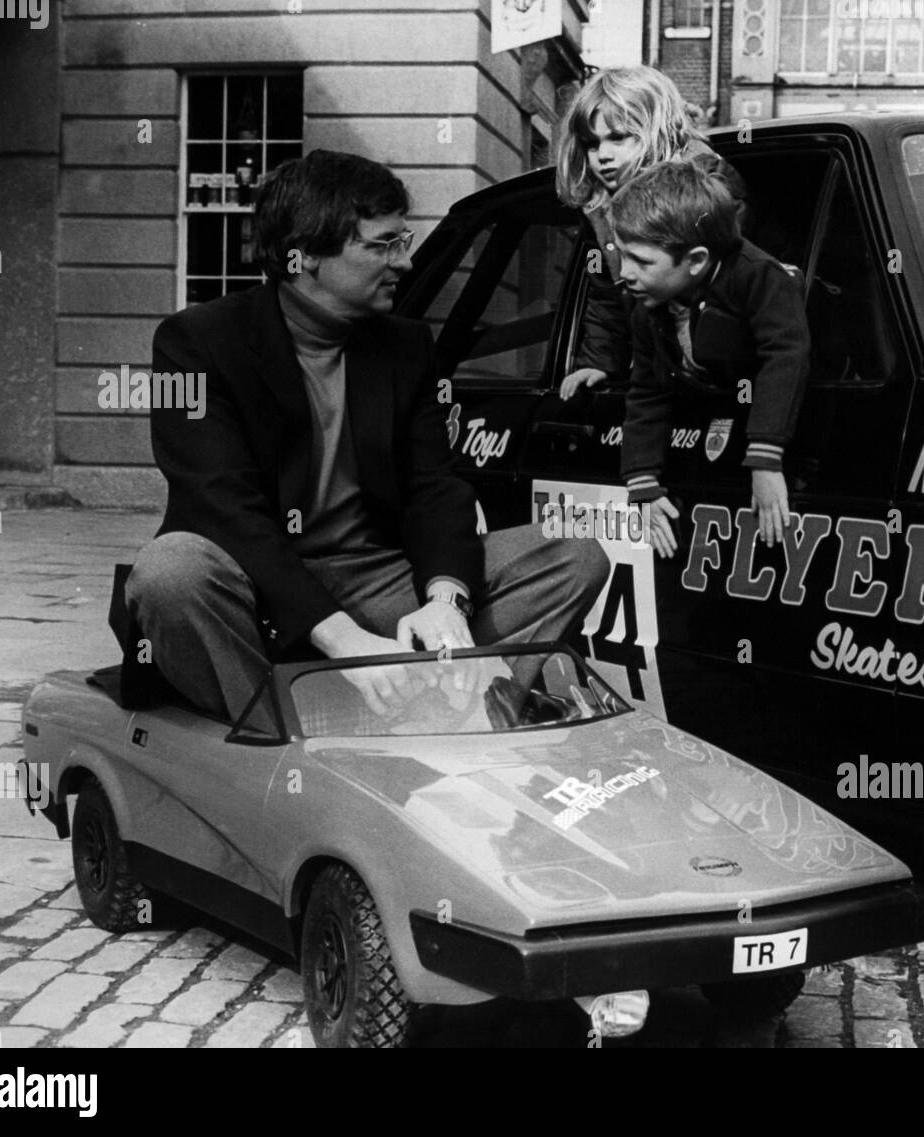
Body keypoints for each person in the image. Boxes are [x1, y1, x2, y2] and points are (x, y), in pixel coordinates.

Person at [117, 150, 609, 723]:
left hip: (375, 576)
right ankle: (277, 730)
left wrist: (447, 601)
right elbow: (221, 507)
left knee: (574, 556)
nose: (403, 263)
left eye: (403, 240)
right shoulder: (195, 342)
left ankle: (449, 716)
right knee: (169, 572)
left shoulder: (404, 345)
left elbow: (435, 487)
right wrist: (344, 640)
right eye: (382, 245)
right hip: (253, 582)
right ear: (306, 257)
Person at [611, 160, 810, 555]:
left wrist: (766, 461)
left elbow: (786, 356)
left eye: (641, 261)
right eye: (621, 255)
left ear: (696, 261)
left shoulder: (760, 278)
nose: (624, 273)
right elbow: (647, 392)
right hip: (707, 449)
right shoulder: (646, 308)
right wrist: (643, 484)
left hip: (781, 439)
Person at [554, 66, 743, 401]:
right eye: (591, 143)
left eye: (617, 137)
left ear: (657, 130)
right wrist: (601, 364)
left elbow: (741, 288)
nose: (603, 156)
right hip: (663, 376)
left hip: (724, 374)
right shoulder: (600, 211)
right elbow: (607, 298)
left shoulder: (707, 192)